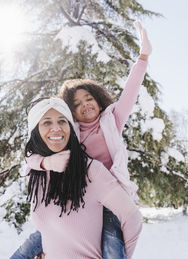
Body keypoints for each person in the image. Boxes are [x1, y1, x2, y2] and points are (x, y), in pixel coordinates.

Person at [11, 21, 151, 258]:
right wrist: (45, 163)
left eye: (88, 98)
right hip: (81, 196)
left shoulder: (112, 120)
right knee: (31, 246)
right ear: (70, 113)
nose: (85, 105)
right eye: (76, 104)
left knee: (112, 248)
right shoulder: (69, 132)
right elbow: (32, 158)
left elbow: (130, 91)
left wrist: (143, 57)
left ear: (97, 98)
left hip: (110, 203)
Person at [17, 97, 142, 258]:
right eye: (47, 122)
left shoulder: (91, 171)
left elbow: (132, 217)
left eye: (62, 121)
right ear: (35, 131)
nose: (56, 128)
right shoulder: (37, 173)